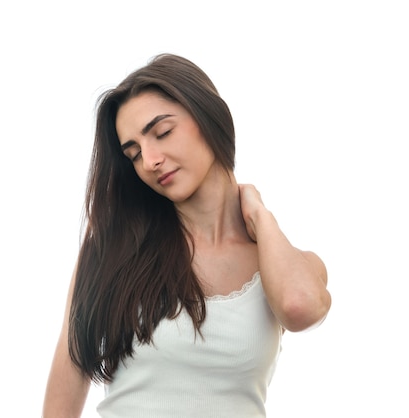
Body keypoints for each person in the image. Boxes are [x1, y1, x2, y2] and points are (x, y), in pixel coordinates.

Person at [42, 53, 331, 418]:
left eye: (162, 132)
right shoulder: (113, 248)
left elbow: (299, 307)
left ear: (208, 115)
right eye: (133, 154)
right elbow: (64, 393)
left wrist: (260, 214)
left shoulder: (287, 263)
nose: (149, 160)